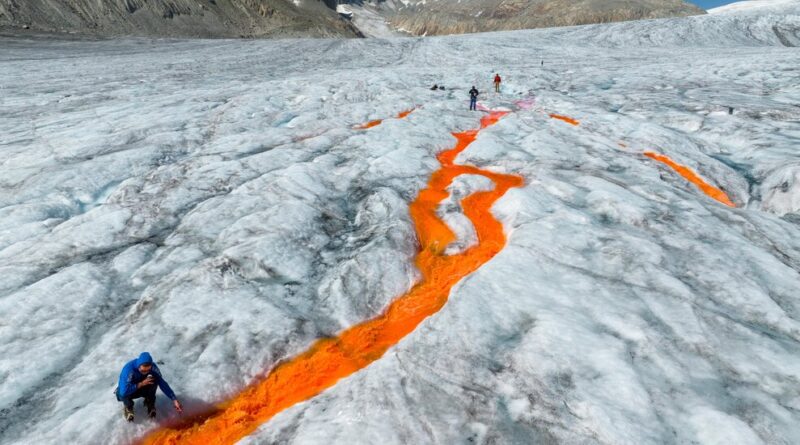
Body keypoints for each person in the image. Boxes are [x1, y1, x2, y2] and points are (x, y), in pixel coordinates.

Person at [116, 352, 182, 421]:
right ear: (139, 366)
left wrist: (174, 399)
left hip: (142, 388)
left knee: (154, 380)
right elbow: (123, 391)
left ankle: (150, 402)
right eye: (143, 370)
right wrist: (141, 384)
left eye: (148, 370)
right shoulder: (129, 370)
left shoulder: (153, 367)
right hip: (128, 391)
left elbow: (162, 383)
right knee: (122, 393)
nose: (145, 372)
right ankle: (128, 407)